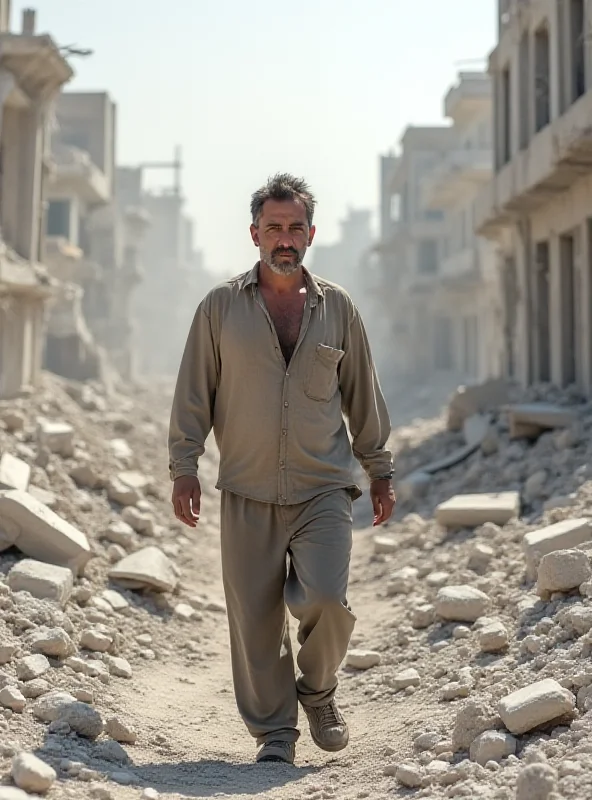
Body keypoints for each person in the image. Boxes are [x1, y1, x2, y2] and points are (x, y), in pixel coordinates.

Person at [168, 173, 395, 765]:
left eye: (296, 227)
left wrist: (380, 468)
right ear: (254, 234)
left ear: (311, 233)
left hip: (323, 486)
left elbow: (362, 396)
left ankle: (317, 691)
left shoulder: (338, 308)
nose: (285, 239)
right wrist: (183, 465)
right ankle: (276, 734)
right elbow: (194, 391)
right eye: (274, 228)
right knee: (256, 621)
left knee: (326, 599)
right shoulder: (219, 308)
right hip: (245, 487)